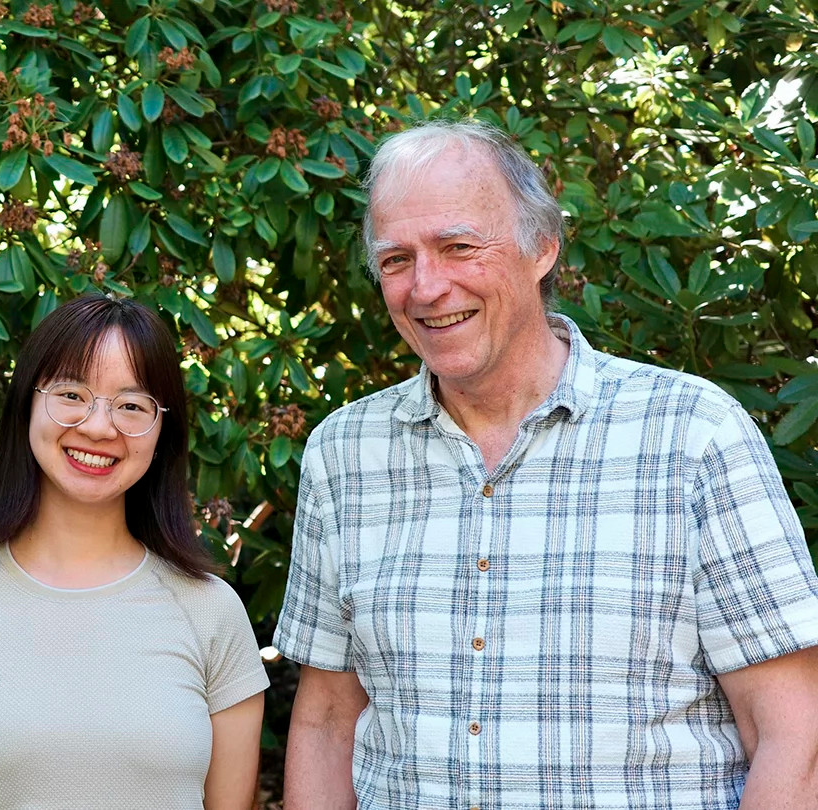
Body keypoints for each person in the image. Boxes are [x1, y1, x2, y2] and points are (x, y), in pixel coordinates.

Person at [275, 119, 818, 809]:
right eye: (396, 260)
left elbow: (796, 733)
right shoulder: (341, 454)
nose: (426, 286)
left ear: (543, 248)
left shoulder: (692, 435)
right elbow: (326, 721)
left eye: (458, 247)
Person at [0, 294, 268, 809]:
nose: (99, 426)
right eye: (72, 394)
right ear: (27, 404)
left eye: (131, 405)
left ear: (161, 432)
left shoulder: (211, 610)